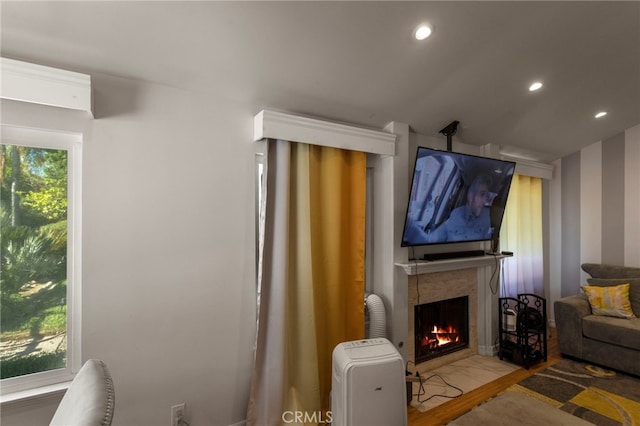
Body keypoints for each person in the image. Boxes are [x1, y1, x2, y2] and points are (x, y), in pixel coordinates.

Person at [426, 174, 493, 243]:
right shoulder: (455, 215)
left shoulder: (487, 217)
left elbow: (487, 248)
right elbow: (431, 240)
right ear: (471, 196)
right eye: (482, 194)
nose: (485, 201)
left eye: (486, 196)